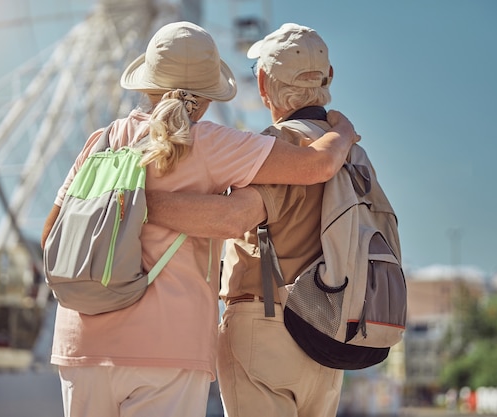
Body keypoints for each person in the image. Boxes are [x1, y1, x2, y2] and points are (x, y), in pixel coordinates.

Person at [40, 21, 357, 417]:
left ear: (147, 83)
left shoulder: (99, 142)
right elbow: (317, 164)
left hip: (80, 342)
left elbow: (51, 235)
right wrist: (342, 133)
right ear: (208, 97)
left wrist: (123, 205)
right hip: (168, 343)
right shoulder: (208, 143)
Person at [146, 23, 351, 417]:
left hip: (268, 325)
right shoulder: (354, 155)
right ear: (329, 78)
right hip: (331, 330)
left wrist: (133, 202)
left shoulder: (276, 147)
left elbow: (233, 216)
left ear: (262, 81)